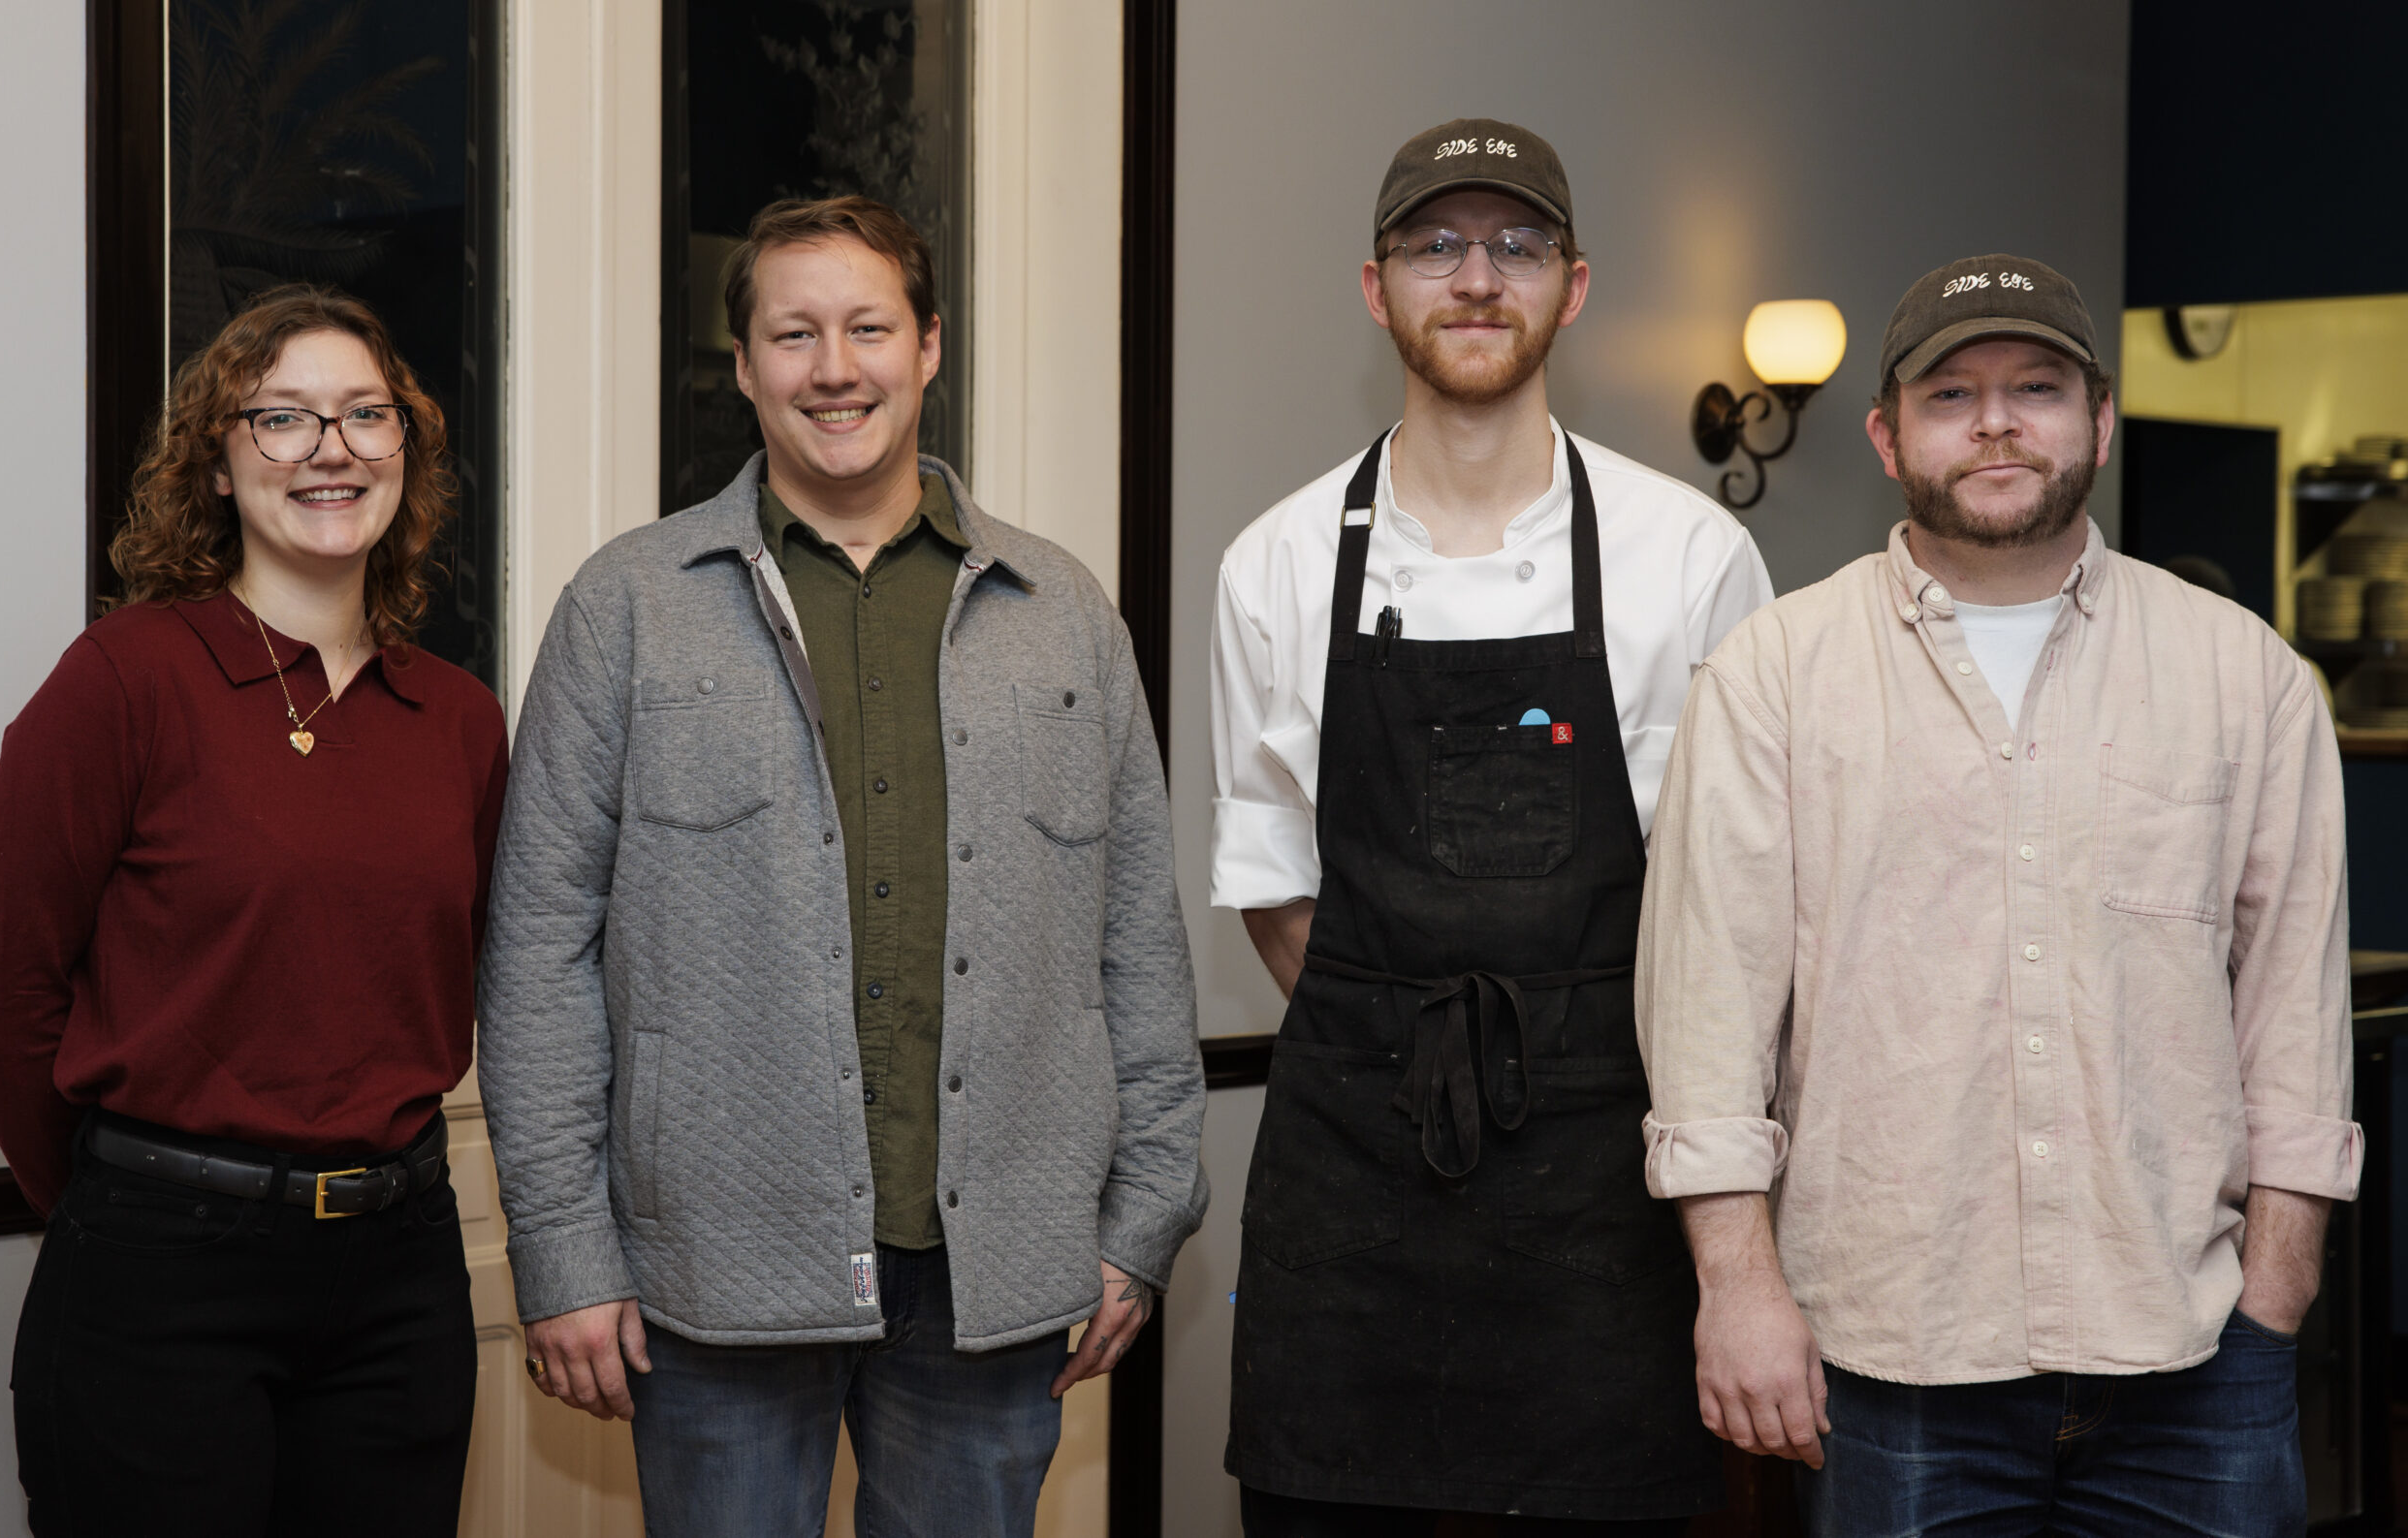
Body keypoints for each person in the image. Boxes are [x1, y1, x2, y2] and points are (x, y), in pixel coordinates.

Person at [478, 194, 1207, 1536]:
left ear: (928, 346)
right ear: (743, 364)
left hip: (993, 1280)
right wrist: (566, 1250)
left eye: (868, 329)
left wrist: (1145, 1216)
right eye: (793, 333)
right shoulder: (625, 608)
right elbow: (538, 951)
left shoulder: (1063, 616)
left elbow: (1137, 946)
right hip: (714, 1275)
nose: (834, 369)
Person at [1637, 254, 2357, 1535]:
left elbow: (2295, 1009)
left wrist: (2277, 1293)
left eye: (2037, 387)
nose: (1997, 423)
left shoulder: (2245, 676)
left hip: (2192, 1349)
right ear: (1885, 435)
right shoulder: (1772, 677)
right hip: (1892, 1356)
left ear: (2101, 422)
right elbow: (1708, 1016)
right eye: (1952, 395)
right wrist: (1738, 1285)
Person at [1211, 118, 1772, 1535]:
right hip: (1353, 1197)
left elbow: (1742, 907)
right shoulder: (1275, 565)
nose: (1476, 278)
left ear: (1574, 288)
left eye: (1517, 246)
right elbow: (1275, 890)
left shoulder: (1692, 557)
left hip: (1607, 1194)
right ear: (1375, 288)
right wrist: (1413, 1046)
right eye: (1435, 246)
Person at [0, 286, 508, 1537]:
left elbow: (454, 976)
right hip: (162, 1277)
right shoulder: (124, 680)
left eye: (366, 414)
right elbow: (1, 995)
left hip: (401, 1277)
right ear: (215, 461)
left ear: (406, 451)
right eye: (283, 417)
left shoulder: (461, 720)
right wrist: (113, 1208)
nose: (331, 448)